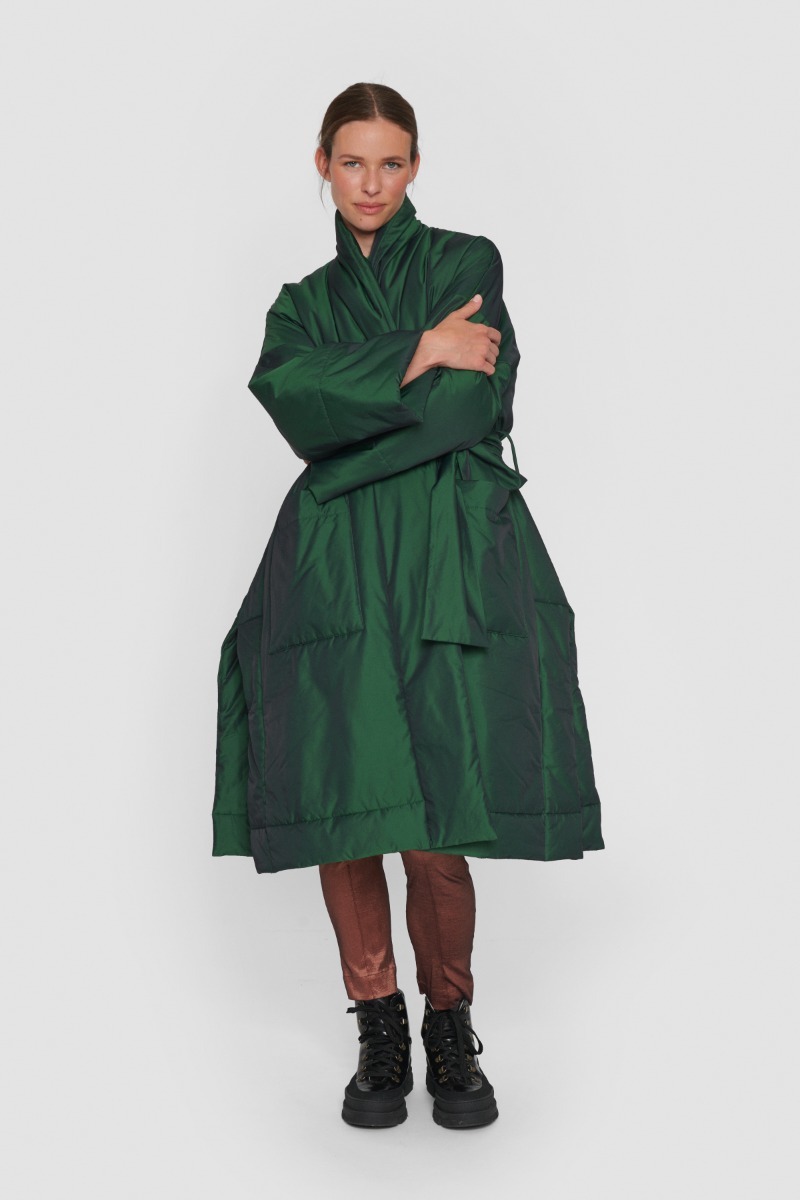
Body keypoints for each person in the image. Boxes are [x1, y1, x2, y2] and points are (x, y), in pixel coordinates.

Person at [212, 82, 605, 1130]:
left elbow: (473, 405)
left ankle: (449, 1025)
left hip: (441, 559)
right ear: (323, 165)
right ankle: (377, 1025)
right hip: (334, 570)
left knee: (437, 810)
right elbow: (290, 401)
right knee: (348, 801)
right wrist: (414, 353)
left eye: (390, 162)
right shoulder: (300, 304)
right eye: (352, 162)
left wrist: (344, 448)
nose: (371, 183)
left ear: (415, 165)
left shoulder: (466, 263)